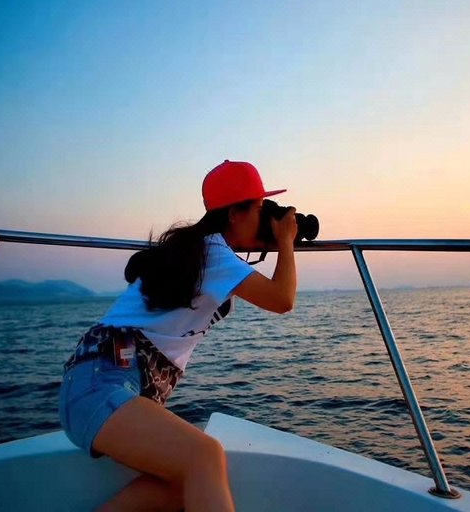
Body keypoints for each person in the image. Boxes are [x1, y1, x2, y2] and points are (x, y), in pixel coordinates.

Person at [58, 160, 298, 512]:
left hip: (94, 382)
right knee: (205, 455)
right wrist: (286, 241)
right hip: (103, 383)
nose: (265, 218)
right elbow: (282, 299)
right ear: (235, 214)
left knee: (187, 481)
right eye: (261, 209)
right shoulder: (214, 254)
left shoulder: (200, 251)